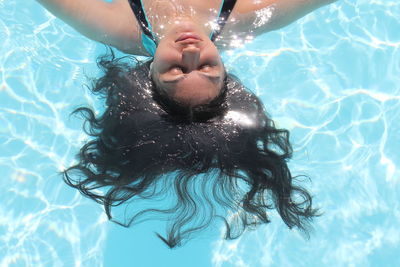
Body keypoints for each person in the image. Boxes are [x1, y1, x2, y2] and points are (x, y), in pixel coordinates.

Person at [37, 0, 337, 248]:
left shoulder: (118, 28)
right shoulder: (248, 16)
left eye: (176, 69)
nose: (191, 51)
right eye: (208, 66)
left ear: (150, 75)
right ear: (224, 71)